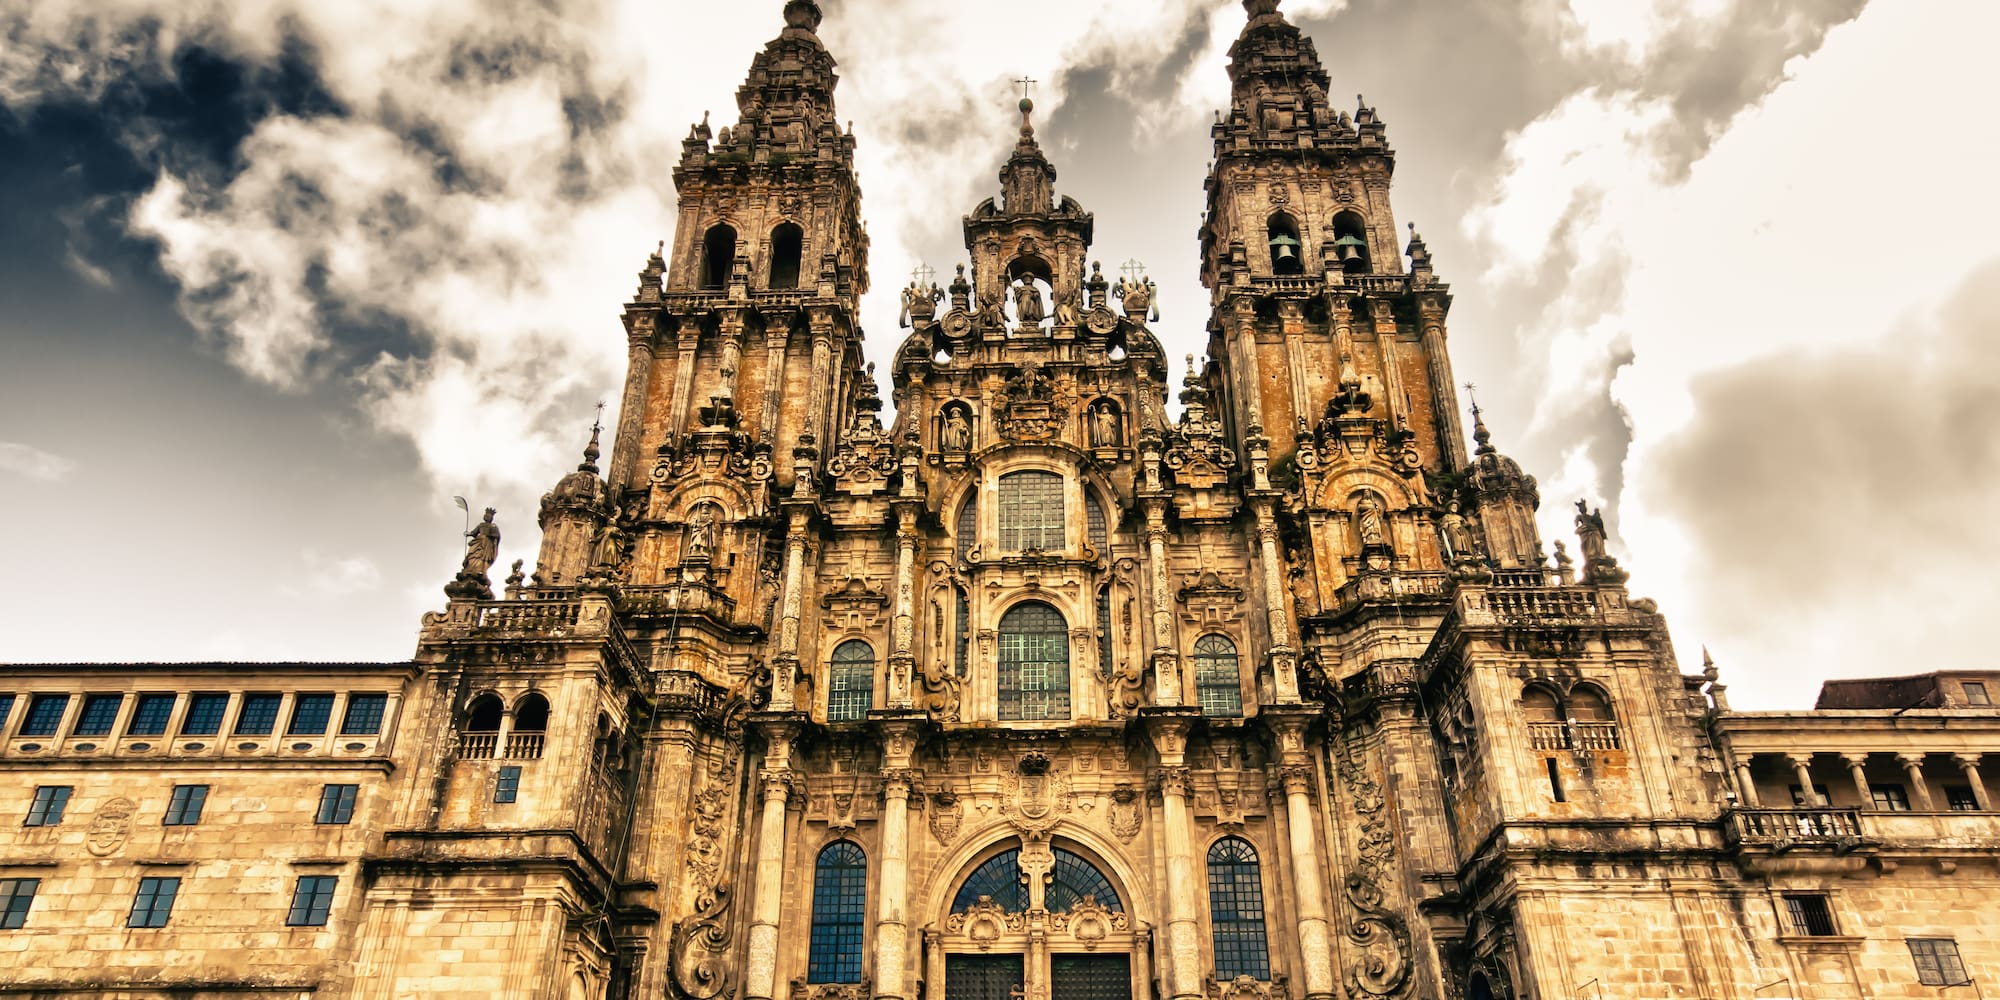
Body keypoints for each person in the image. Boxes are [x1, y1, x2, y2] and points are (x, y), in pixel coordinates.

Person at [463, 508, 500, 577]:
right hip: (478, 541)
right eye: (486, 516)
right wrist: (468, 534)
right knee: (473, 553)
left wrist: (489, 535)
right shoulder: (481, 525)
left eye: (489, 516)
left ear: (491, 518)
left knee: (484, 557)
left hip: (487, 543)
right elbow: (474, 532)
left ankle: (481, 570)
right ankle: (470, 568)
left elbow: (497, 535)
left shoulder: (493, 526)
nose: (487, 517)